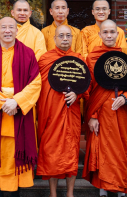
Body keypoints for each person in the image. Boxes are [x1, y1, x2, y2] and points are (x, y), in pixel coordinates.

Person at [82, 20, 127, 197]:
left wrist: (126, 98)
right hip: (101, 110)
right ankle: (103, 189)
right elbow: (89, 88)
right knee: (101, 149)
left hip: (121, 110)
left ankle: (120, 189)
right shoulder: (92, 57)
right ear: (100, 34)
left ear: (118, 34)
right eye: (106, 32)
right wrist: (92, 115)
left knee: (120, 148)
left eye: (112, 32)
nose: (109, 35)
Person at [0, 17, 41, 195]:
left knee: (16, 154)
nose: (7, 31)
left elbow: (36, 82)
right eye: (3, 27)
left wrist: (17, 101)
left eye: (11, 27)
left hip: (19, 110)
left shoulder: (28, 54)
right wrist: (4, 103)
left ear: (16, 31)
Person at [37, 25, 88, 197]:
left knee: (71, 152)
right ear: (54, 38)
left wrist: (77, 93)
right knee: (52, 153)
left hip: (70, 112)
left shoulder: (79, 59)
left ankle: (70, 193)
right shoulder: (45, 59)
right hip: (51, 114)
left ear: (72, 39)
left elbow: (86, 85)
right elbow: (38, 87)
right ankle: (53, 193)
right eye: (61, 36)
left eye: (68, 36)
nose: (65, 38)